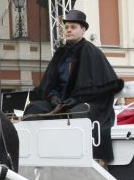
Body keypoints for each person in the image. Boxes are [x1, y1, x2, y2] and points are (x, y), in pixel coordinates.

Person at [24, 9, 125, 161]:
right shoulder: (60, 53)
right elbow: (49, 84)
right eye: (67, 27)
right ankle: (37, 154)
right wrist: (53, 98)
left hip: (89, 103)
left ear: (83, 30)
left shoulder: (92, 53)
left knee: (77, 112)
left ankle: (77, 157)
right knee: (34, 109)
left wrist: (76, 100)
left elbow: (103, 89)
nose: (69, 30)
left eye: (73, 27)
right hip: (61, 103)